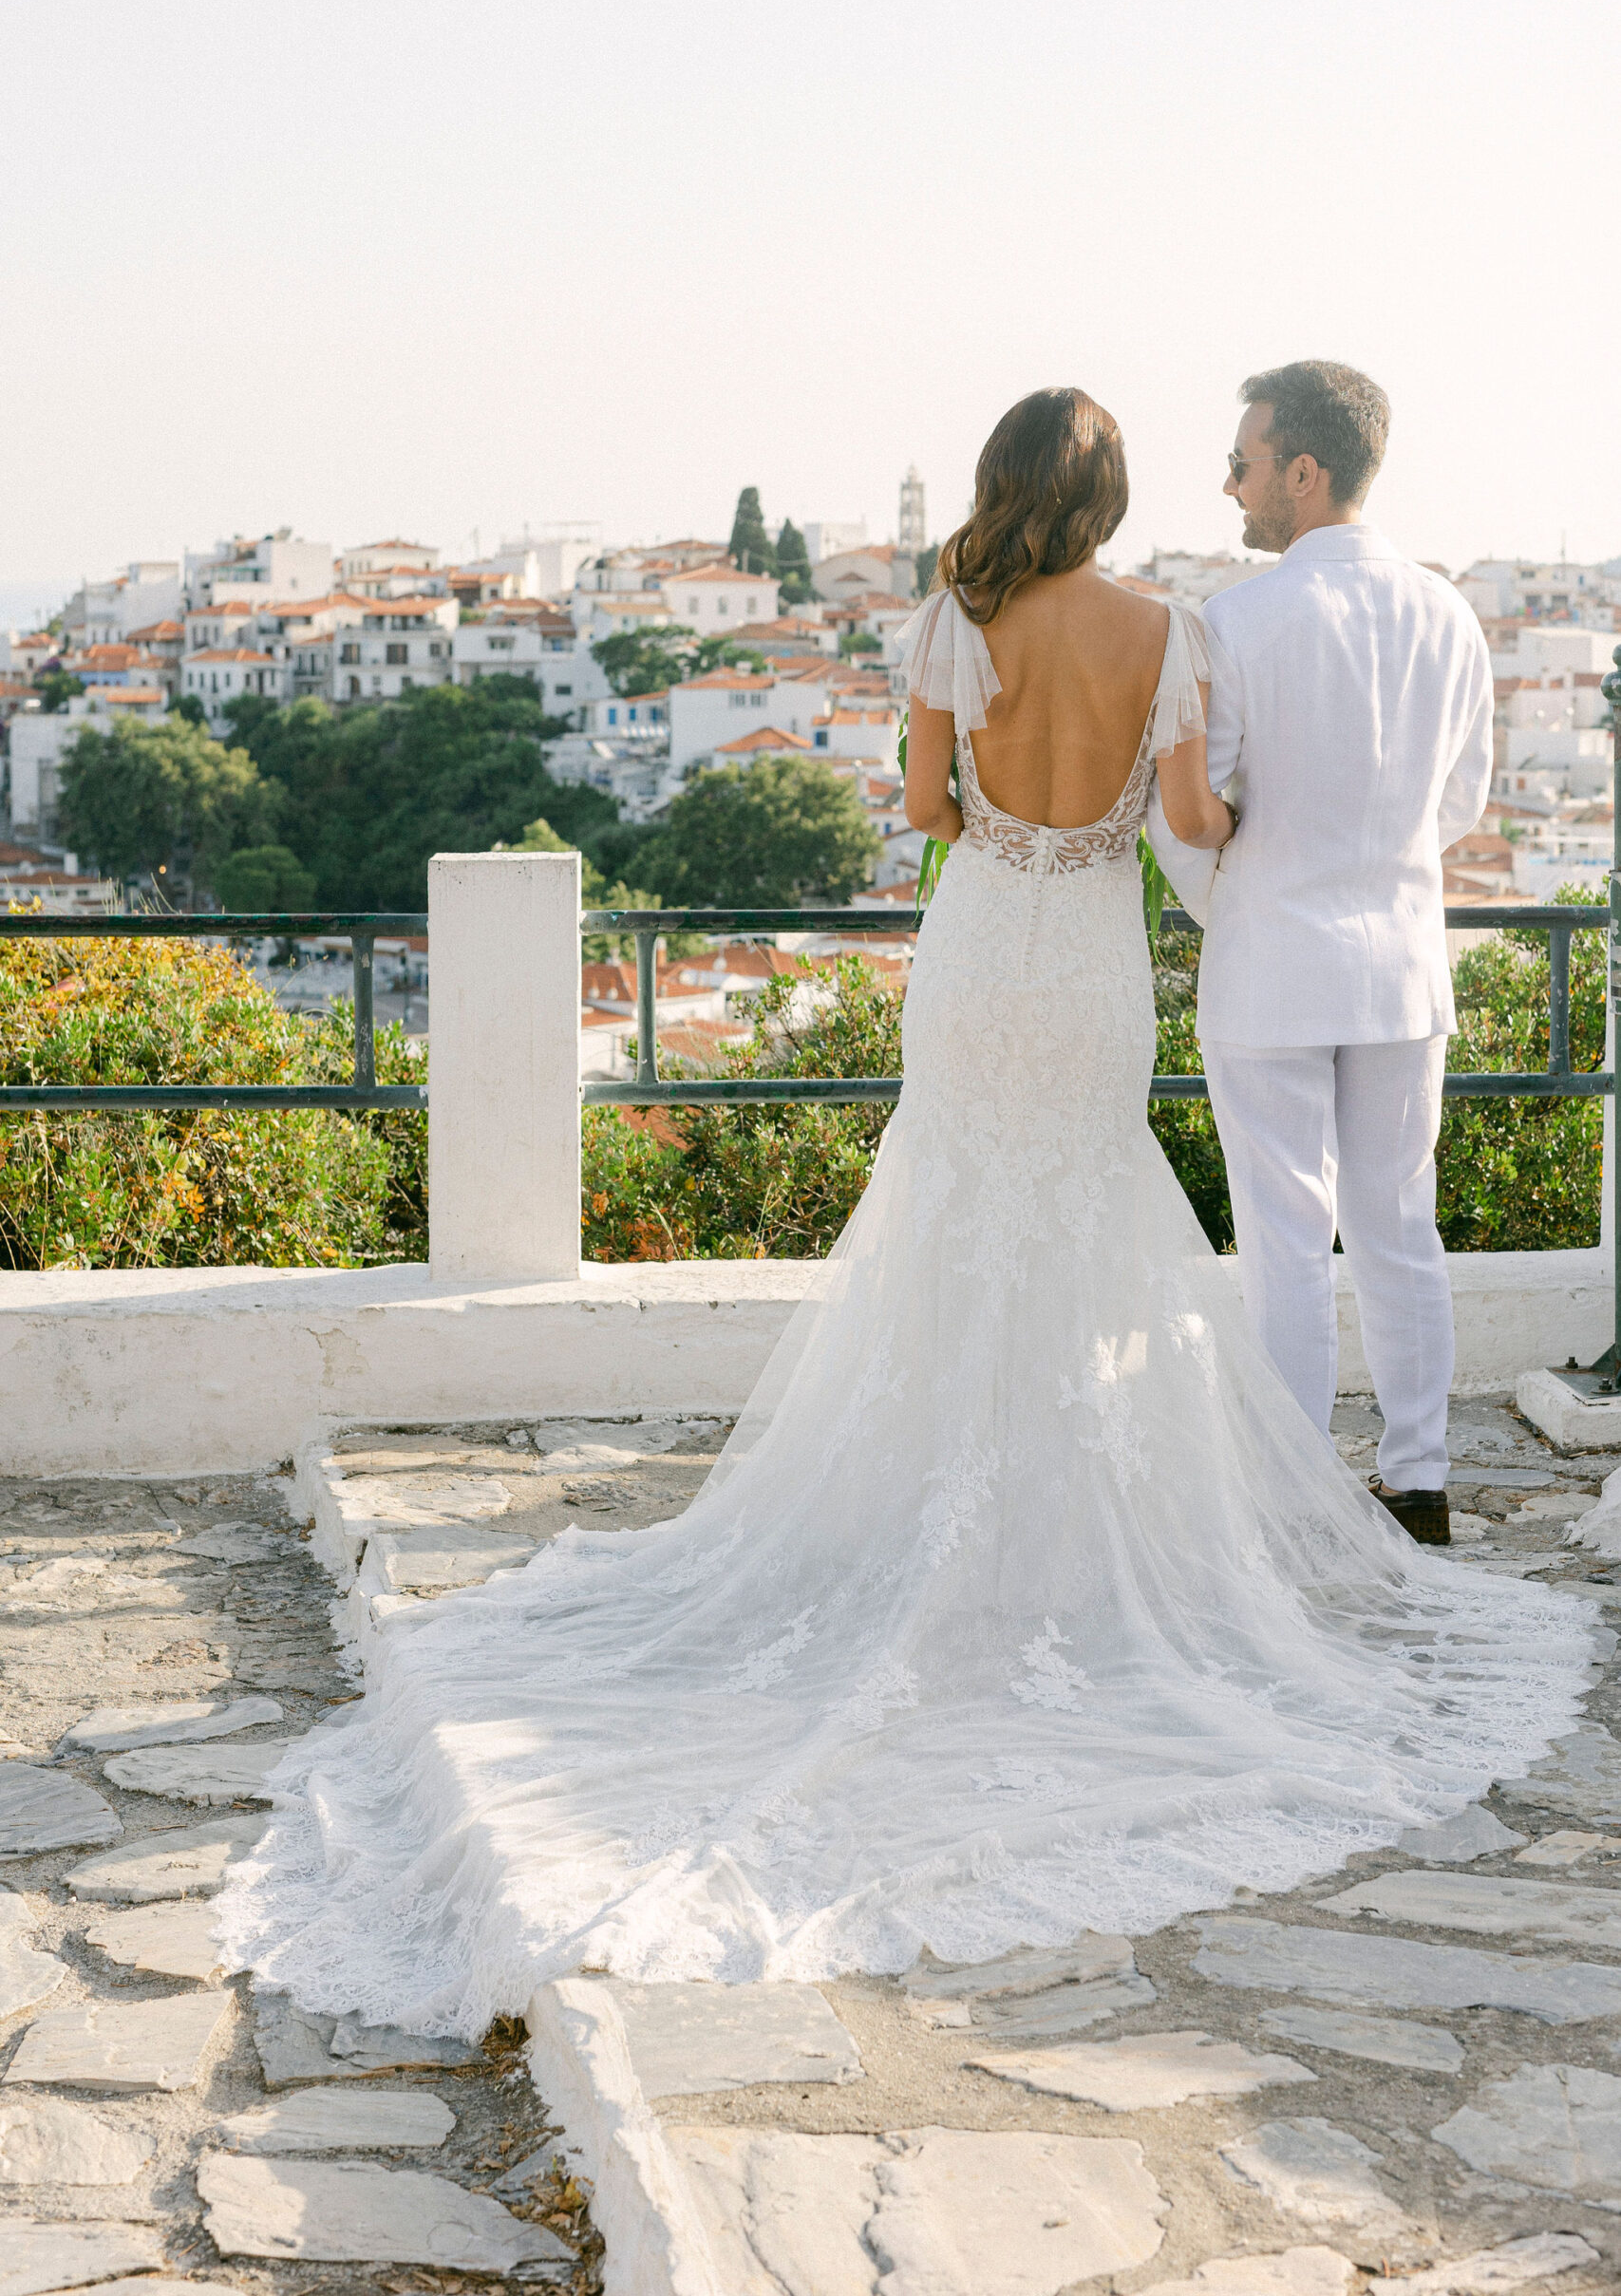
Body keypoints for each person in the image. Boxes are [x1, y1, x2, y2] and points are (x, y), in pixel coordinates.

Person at [218, 387, 1589, 2039]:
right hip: (1097, 961)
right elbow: (1186, 823)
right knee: (1111, 1215)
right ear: (1115, 494)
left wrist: (1004, 799)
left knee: (951, 1210)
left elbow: (930, 814)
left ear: (1005, 487)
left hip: (979, 951)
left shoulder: (957, 616)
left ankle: (933, 1501)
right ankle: (1194, 1504)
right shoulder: (1173, 628)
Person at [1147, 363, 1492, 1548]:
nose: (1229, 484)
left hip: (1271, 964)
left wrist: (1234, 895)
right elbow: (1464, 802)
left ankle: (1295, 1494)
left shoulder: (1236, 620)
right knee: (1402, 1226)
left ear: (1303, 469)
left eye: (1243, 461)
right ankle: (1421, 1480)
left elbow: (1191, 808)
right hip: (1402, 961)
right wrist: (1377, 867)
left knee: (1286, 1239)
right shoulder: (1449, 612)